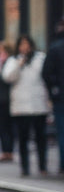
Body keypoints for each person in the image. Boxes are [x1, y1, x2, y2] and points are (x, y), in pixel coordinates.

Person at [1, 33, 50, 176]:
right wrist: (19, 64)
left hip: (38, 104)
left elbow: (46, 76)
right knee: (23, 139)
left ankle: (42, 166)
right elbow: (7, 77)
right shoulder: (13, 61)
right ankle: (25, 167)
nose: (25, 47)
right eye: (22, 45)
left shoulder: (40, 59)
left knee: (41, 137)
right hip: (21, 106)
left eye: (27, 44)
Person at [41, 18, 64, 174]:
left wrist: (53, 89)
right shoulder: (56, 48)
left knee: (62, 132)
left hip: (60, 97)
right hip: (59, 97)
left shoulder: (55, 48)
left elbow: (46, 73)